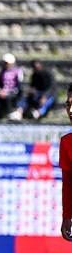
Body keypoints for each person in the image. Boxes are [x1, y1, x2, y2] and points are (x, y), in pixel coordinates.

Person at [59, 84, 72, 243]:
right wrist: (67, 216)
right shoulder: (67, 142)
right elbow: (68, 184)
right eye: (68, 105)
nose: (71, 111)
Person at [0, 53, 23, 119]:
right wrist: (0, 90)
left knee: (8, 97)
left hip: (14, 91)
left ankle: (10, 114)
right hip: (3, 92)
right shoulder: (2, 72)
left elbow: (19, 86)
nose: (6, 64)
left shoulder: (17, 71)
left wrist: (7, 92)